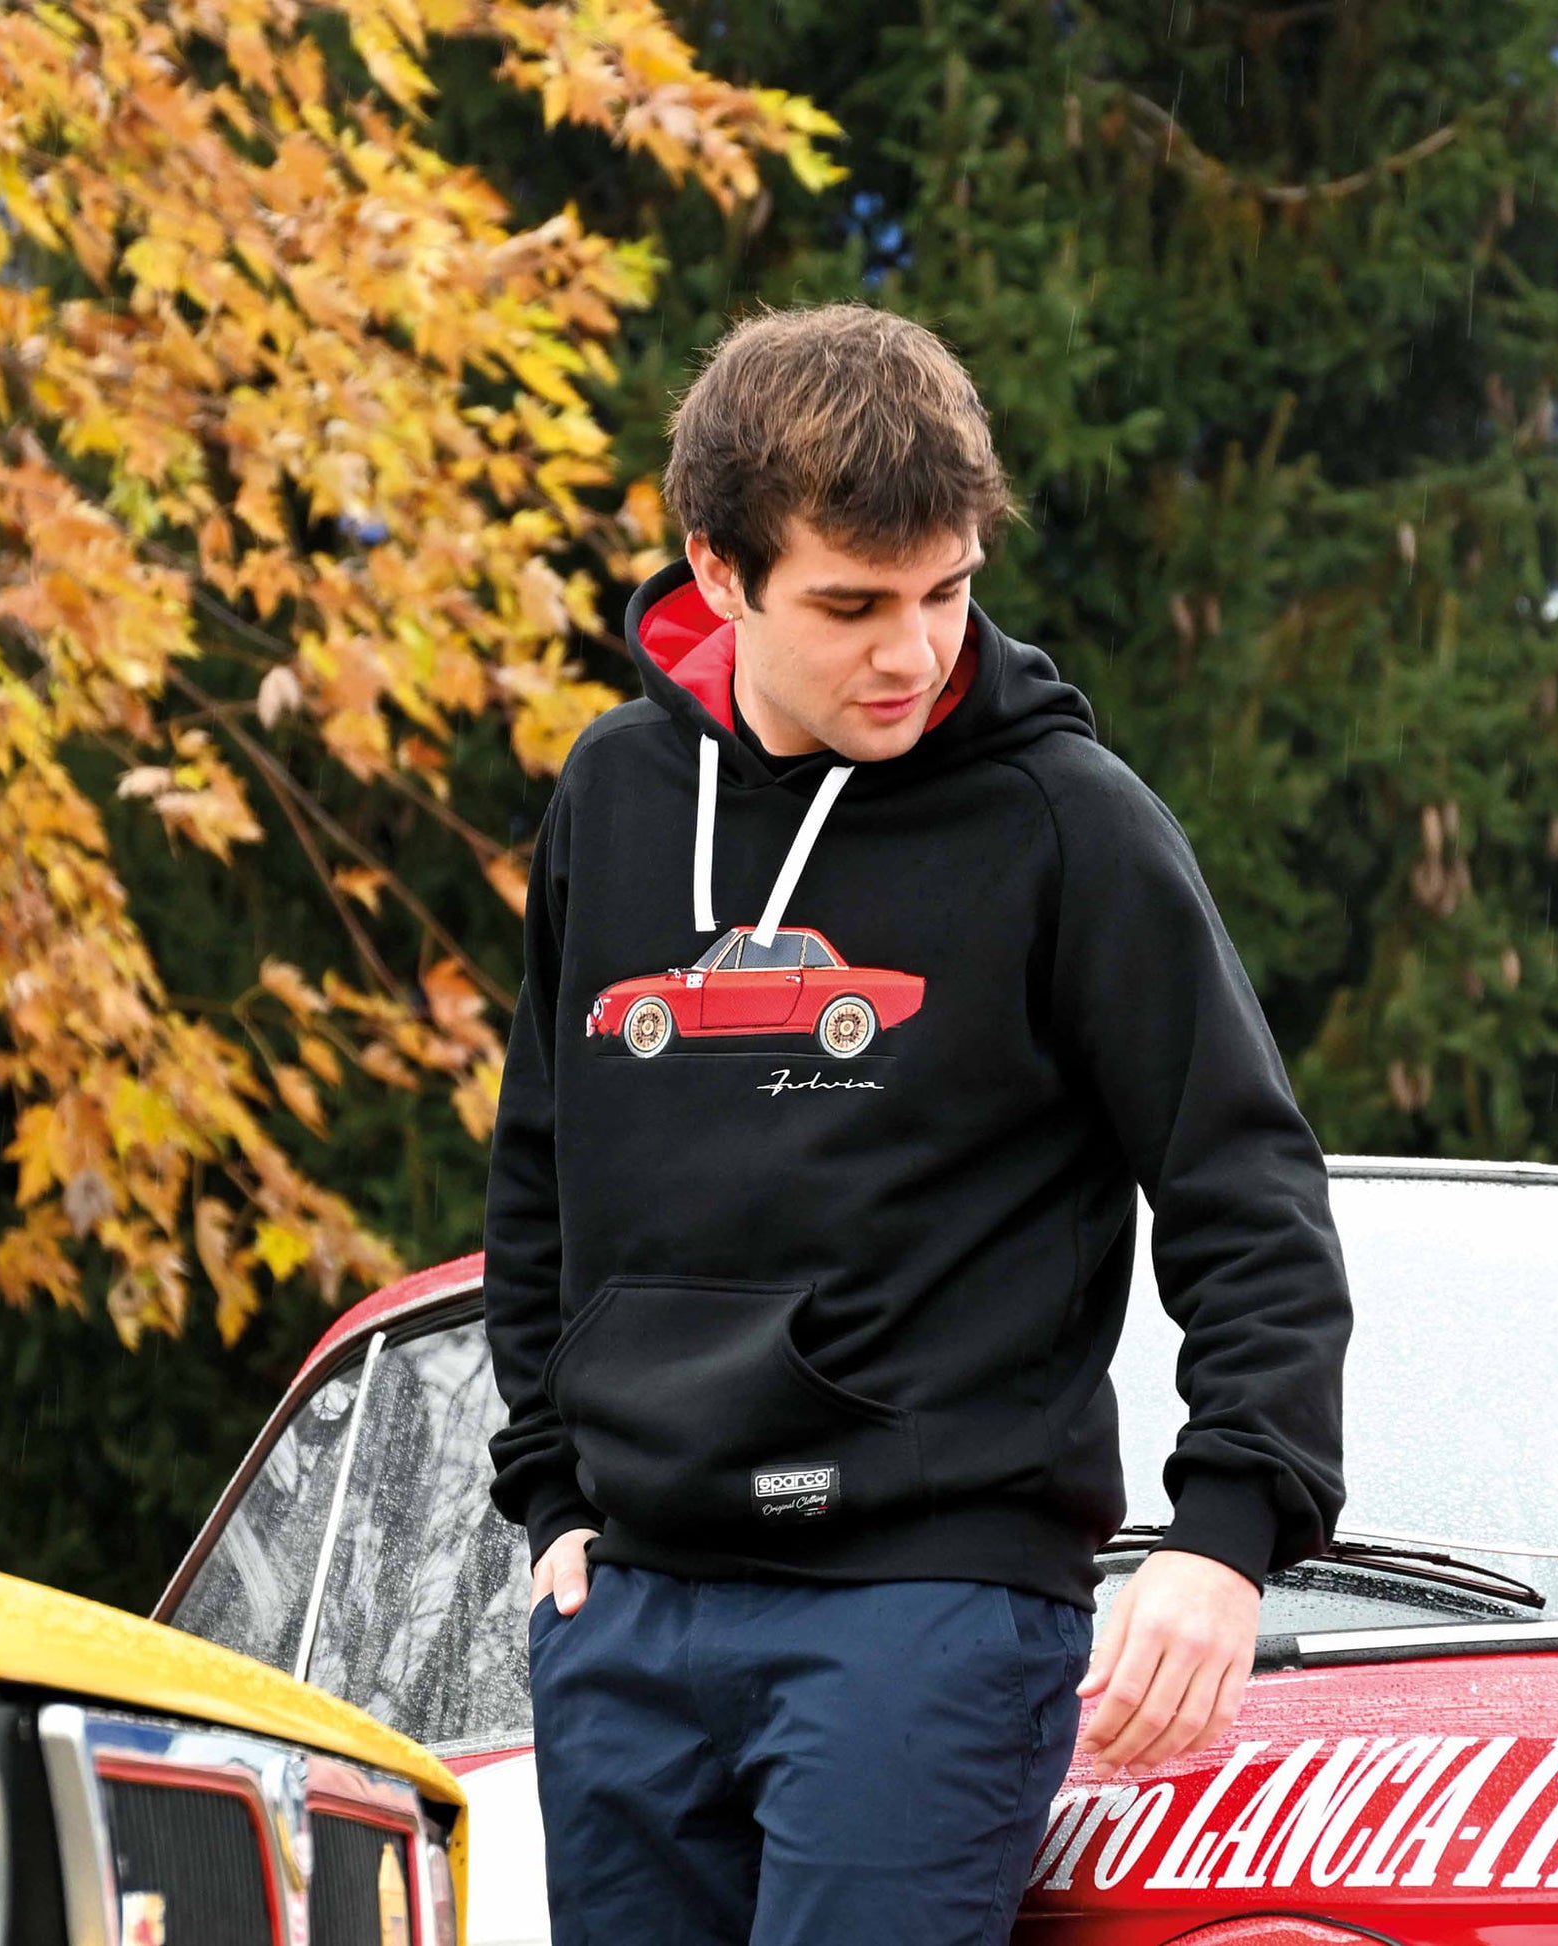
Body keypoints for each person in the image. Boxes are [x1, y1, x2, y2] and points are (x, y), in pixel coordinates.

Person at [481, 300, 1351, 1946]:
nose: (912, 652)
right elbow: (538, 1166)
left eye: (945, 591)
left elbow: (1243, 1182)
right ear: (717, 571)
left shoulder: (1063, 819)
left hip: (925, 1605)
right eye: (852, 604)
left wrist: (1227, 1530)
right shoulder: (613, 794)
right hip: (631, 1608)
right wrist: (550, 1491)